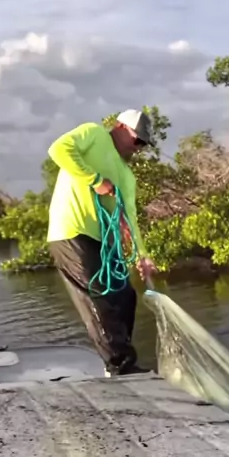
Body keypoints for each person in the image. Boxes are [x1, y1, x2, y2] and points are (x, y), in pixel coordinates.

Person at [47, 109, 158, 377]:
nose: (138, 148)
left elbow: (129, 218)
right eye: (137, 140)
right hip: (72, 232)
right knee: (99, 296)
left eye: (143, 144)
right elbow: (58, 149)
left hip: (103, 240)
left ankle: (118, 360)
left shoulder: (127, 175)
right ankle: (121, 366)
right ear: (119, 127)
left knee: (125, 296)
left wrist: (142, 256)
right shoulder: (94, 133)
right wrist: (95, 180)